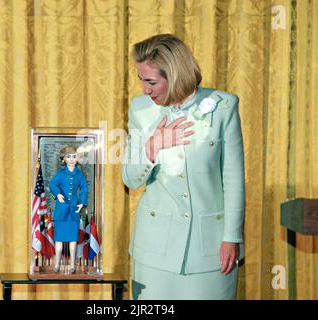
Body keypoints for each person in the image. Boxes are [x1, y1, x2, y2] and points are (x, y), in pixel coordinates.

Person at [121, 34, 245, 299]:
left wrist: (231, 237)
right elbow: (130, 179)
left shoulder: (224, 106)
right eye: (141, 80)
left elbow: (233, 177)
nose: (145, 89)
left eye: (151, 82)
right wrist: (152, 147)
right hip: (154, 251)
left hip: (211, 250)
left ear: (175, 75)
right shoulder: (140, 109)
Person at [49, 145, 88, 273]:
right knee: (58, 239)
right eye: (68, 157)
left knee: (73, 240)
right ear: (64, 159)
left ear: (77, 159)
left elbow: (83, 188)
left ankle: (72, 264)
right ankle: (57, 264)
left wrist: (82, 202)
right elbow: (52, 184)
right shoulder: (61, 174)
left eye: (74, 157)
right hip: (61, 210)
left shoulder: (79, 174)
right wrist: (58, 194)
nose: (71, 159)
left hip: (73, 210)